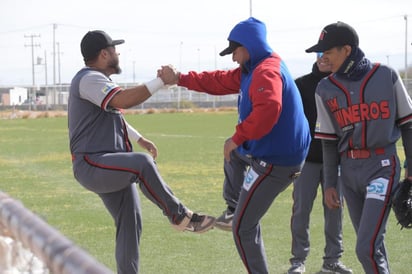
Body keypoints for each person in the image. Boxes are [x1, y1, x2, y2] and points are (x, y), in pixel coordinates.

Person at [159, 17, 311, 274]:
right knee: (234, 156)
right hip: (271, 153)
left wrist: (237, 137)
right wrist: (180, 78)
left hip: (277, 161)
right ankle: (233, 209)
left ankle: (236, 217)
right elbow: (217, 81)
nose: (233, 58)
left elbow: (269, 109)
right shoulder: (252, 68)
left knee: (243, 228)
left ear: (250, 46)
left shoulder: (266, 70)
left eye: (235, 51)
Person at [68, 30, 216, 274]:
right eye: (114, 50)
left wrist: (139, 138)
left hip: (108, 163)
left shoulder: (96, 80)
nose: (118, 53)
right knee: (142, 164)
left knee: (130, 223)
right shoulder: (89, 79)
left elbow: (113, 113)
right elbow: (123, 101)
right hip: (92, 164)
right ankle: (180, 217)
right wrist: (160, 81)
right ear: (104, 54)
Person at [306, 21, 412, 274]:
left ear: (346, 49)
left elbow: (408, 124)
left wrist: (411, 167)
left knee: (365, 247)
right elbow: (329, 141)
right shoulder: (325, 88)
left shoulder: (386, 75)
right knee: (372, 245)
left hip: (382, 166)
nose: (324, 58)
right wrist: (331, 183)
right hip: (349, 173)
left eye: (328, 52)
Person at [287, 57, 352, 274]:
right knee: (301, 210)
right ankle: (298, 261)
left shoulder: (344, 85)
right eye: (320, 55)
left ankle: (332, 261)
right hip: (307, 160)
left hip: (336, 161)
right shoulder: (301, 84)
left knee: (335, 210)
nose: (324, 59)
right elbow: (290, 120)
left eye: (328, 54)